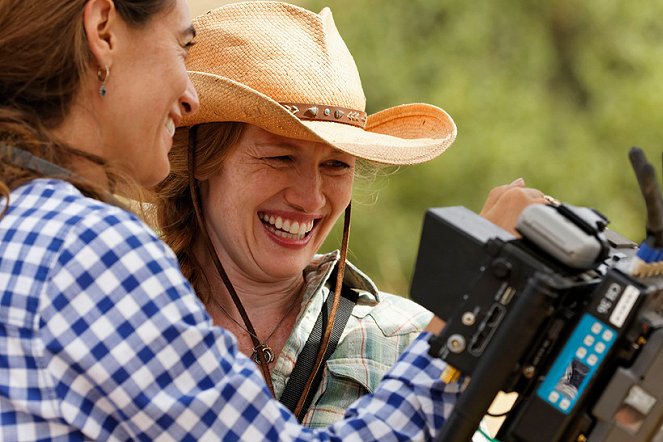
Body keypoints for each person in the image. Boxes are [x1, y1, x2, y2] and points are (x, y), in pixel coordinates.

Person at [0, 0, 465, 440]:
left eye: (338, 164)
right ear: (103, 30)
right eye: (280, 157)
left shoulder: (25, 225)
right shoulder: (88, 249)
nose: (188, 96)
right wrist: (471, 320)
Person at [151, 1, 548, 428]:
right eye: (281, 157)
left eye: (337, 164)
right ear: (199, 163)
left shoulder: (408, 340)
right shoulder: (127, 316)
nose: (310, 197)